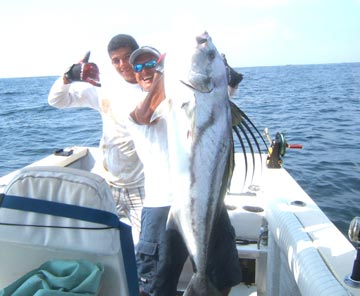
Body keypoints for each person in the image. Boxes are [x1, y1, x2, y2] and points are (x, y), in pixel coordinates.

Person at [126, 46, 242, 296]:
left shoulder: (182, 97)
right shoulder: (136, 106)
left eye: (151, 64)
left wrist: (224, 76)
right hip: (161, 207)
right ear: (134, 76)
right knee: (153, 286)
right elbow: (145, 114)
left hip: (207, 201)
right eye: (139, 67)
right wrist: (163, 74)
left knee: (224, 277)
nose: (146, 70)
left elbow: (219, 107)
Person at [47, 34, 145, 240]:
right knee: (89, 236)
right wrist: (68, 76)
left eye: (127, 57)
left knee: (148, 246)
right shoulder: (104, 89)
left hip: (142, 185)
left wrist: (230, 85)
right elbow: (58, 101)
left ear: (137, 55)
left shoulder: (154, 88)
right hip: (107, 182)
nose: (122, 64)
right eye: (116, 60)